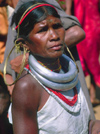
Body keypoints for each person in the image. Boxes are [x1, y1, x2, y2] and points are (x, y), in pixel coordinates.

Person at [7, 1, 100, 133]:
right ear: (24, 44)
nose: (54, 36)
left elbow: (75, 123)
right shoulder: (27, 87)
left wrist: (93, 126)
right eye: (42, 30)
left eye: (57, 26)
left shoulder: (68, 73)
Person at [65, 0, 100, 105]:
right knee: (90, 63)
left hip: (84, 31)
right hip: (85, 30)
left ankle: (88, 97)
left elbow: (68, 13)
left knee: (86, 64)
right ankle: (91, 95)